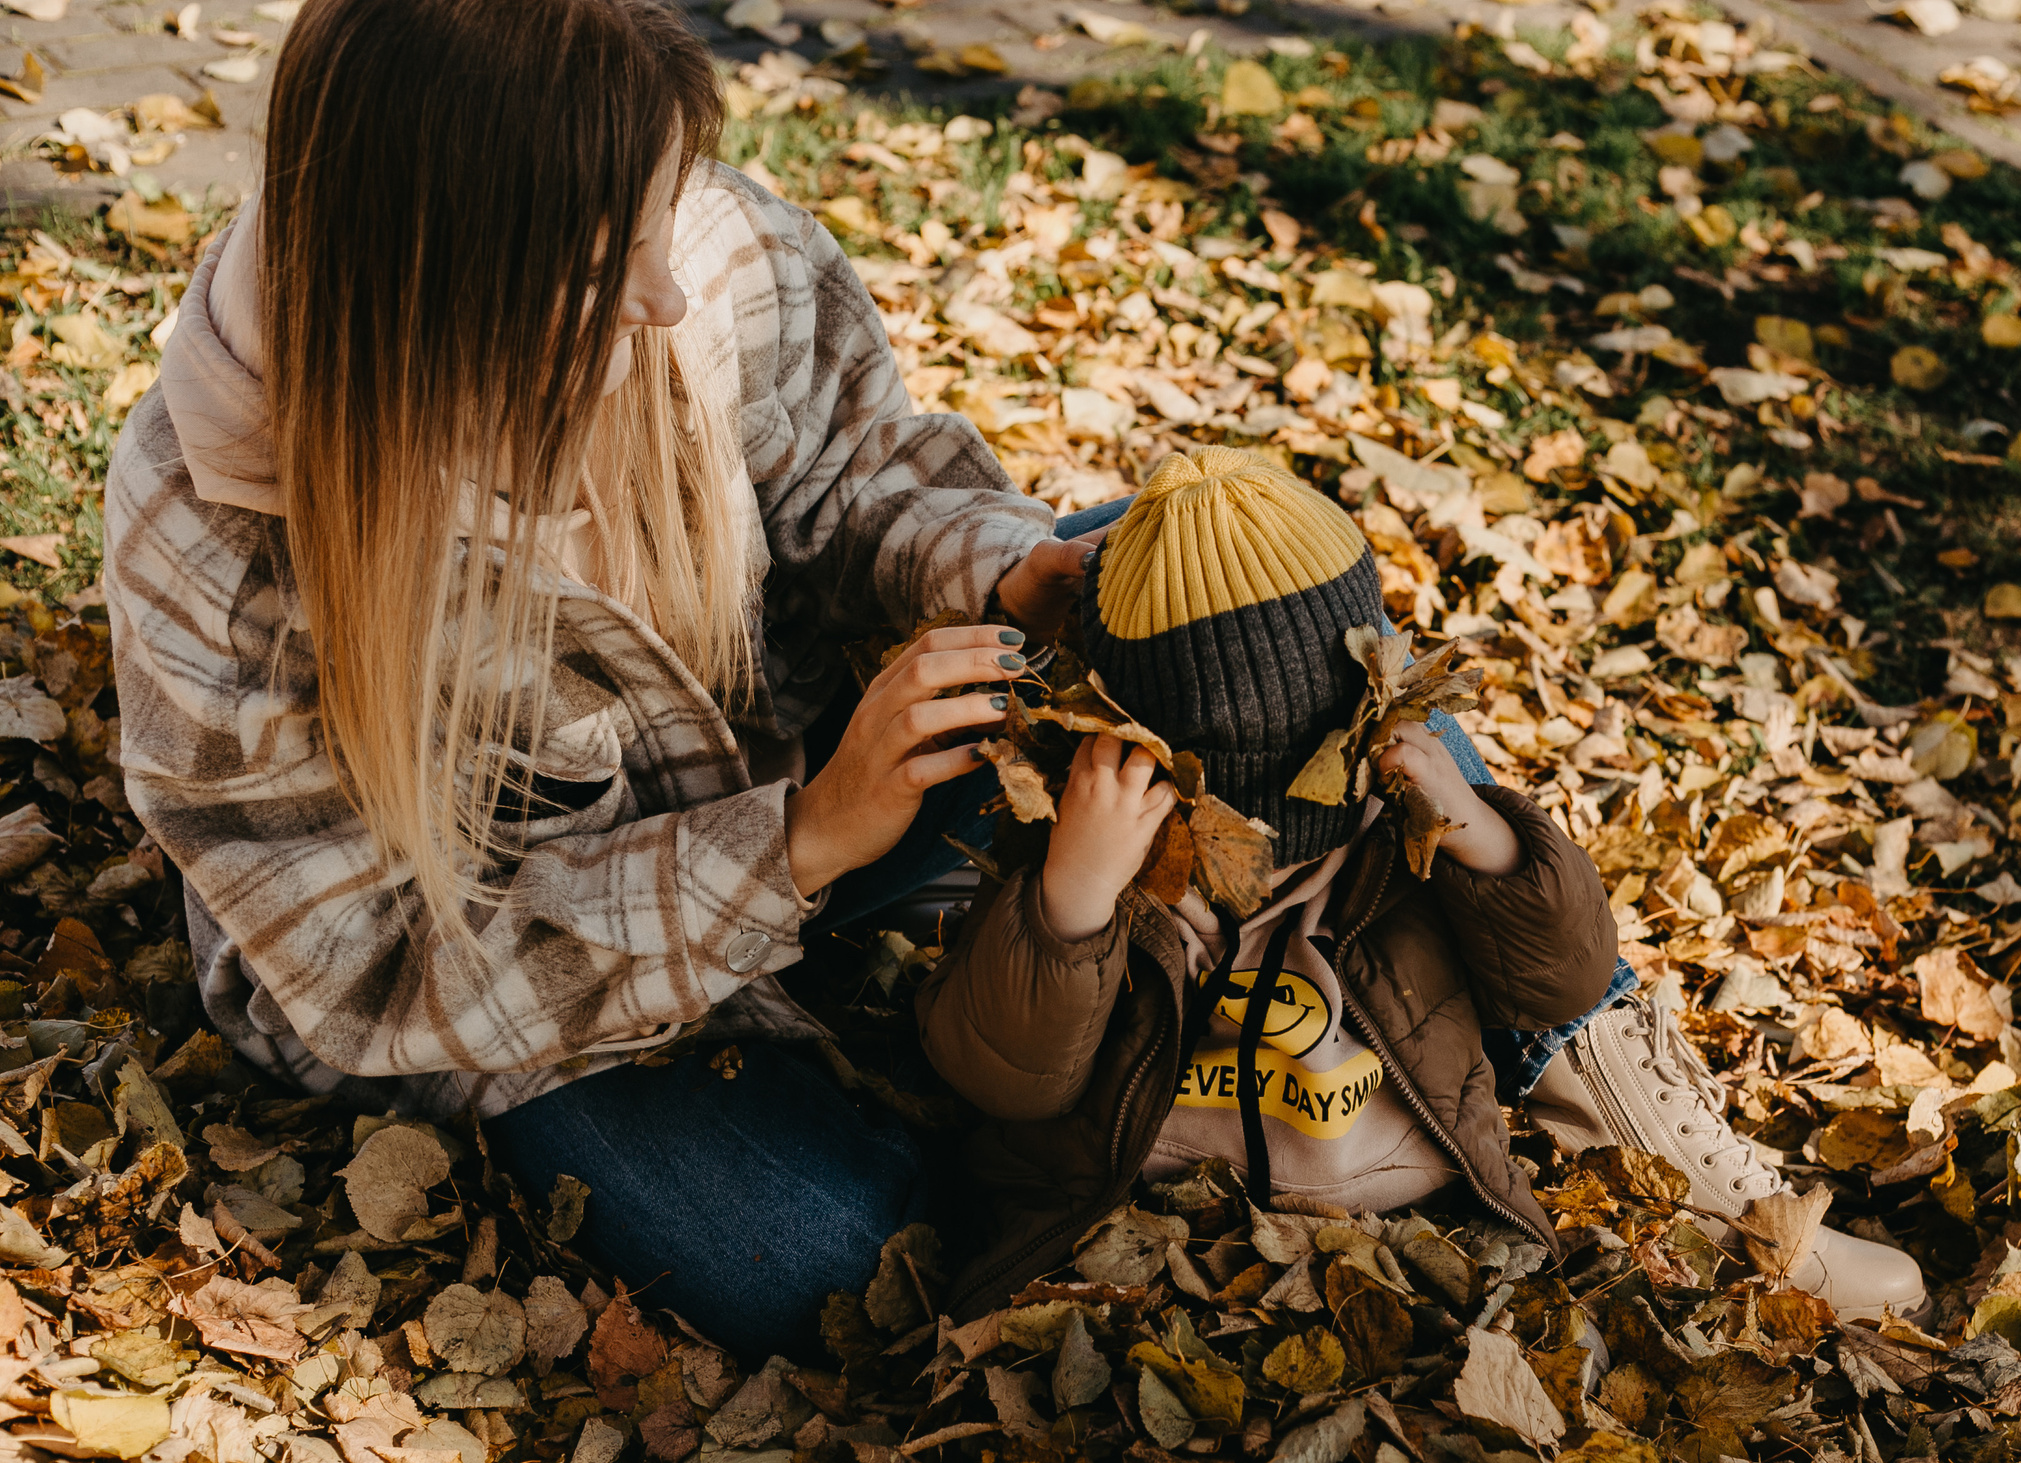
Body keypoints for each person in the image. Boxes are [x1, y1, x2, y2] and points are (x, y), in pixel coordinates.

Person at [106, 0, 1917, 1360]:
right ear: (440, 293)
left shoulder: (699, 261)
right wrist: (797, 847)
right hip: (562, 995)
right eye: (602, 268)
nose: (661, 297)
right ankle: (1114, 1056)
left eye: (664, 222)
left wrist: (994, 565)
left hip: (828, 775)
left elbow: (856, 477)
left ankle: (1615, 1084)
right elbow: (368, 968)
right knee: (824, 1261)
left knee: (1238, 595)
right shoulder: (226, 534)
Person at [919, 452, 1927, 1325]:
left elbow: (1565, 983)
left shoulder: (1395, 832)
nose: (1282, 839)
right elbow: (1009, 1076)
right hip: (1159, 1231)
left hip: (1423, 1222)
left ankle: (1700, 1187)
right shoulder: (1101, 864)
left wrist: (1489, 843)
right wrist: (1071, 904)